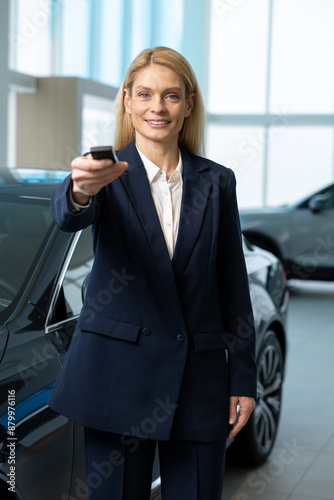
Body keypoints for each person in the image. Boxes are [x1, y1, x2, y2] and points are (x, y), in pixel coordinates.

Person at [49, 46, 257, 500]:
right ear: (127, 100)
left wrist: (242, 377)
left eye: (170, 96)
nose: (157, 107)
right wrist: (79, 191)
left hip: (199, 382)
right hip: (117, 379)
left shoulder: (217, 182)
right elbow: (69, 212)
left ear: (188, 105)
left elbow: (231, 283)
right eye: (144, 94)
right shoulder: (104, 174)